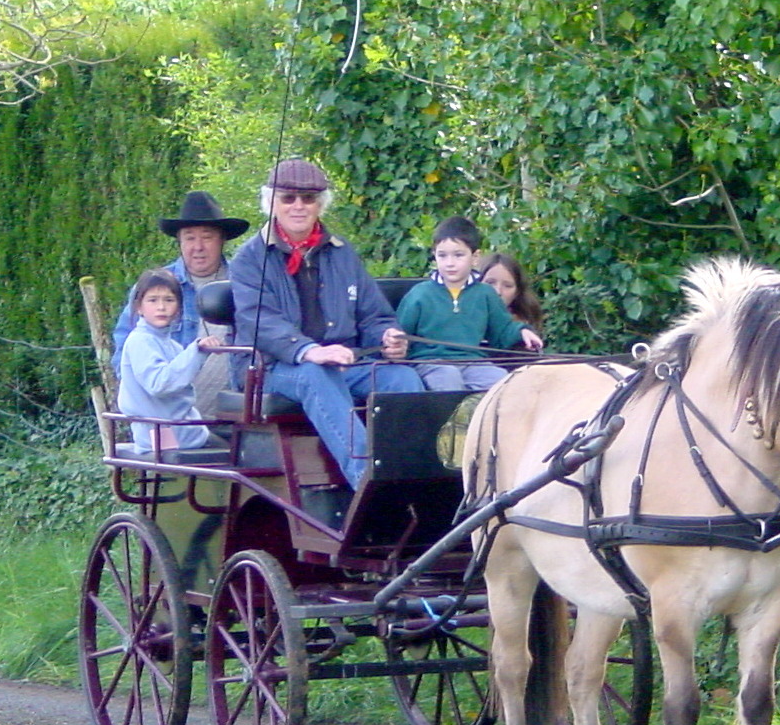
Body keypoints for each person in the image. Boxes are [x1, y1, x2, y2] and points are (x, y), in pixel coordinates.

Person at [227, 158, 423, 489]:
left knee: (402, 379)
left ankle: (415, 474)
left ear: (321, 203)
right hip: (272, 368)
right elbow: (259, 320)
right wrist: (308, 350)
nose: (299, 206)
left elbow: (374, 314)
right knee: (316, 375)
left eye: (308, 198)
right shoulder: (249, 259)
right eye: (288, 197)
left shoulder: (342, 253)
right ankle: (370, 483)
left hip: (345, 362)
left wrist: (388, 336)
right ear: (271, 202)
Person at [111, 190, 248, 416]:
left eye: (207, 237)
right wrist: (147, 408)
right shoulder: (154, 288)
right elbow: (124, 353)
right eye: (190, 238)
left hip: (237, 415)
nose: (198, 246)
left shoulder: (246, 286)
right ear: (179, 242)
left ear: (222, 240)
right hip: (171, 419)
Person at [396, 218, 543, 392]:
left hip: (473, 362)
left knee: (501, 381)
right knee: (448, 378)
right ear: (434, 255)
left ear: (475, 258)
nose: (450, 263)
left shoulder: (485, 294)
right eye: (442, 255)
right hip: (431, 362)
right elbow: (399, 330)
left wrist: (522, 331)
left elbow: (502, 329)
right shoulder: (420, 294)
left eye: (458, 255)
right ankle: (452, 411)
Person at [117, 269, 228, 454]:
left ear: (178, 309)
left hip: (183, 430)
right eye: (153, 300)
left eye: (169, 300)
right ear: (138, 307)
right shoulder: (140, 341)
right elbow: (159, 384)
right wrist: (197, 350)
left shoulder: (171, 345)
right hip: (162, 434)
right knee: (238, 454)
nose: (161, 307)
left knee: (234, 440)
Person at [480, 251, 545, 335]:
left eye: (507, 286)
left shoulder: (522, 331)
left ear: (517, 292)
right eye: (490, 282)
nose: (498, 291)